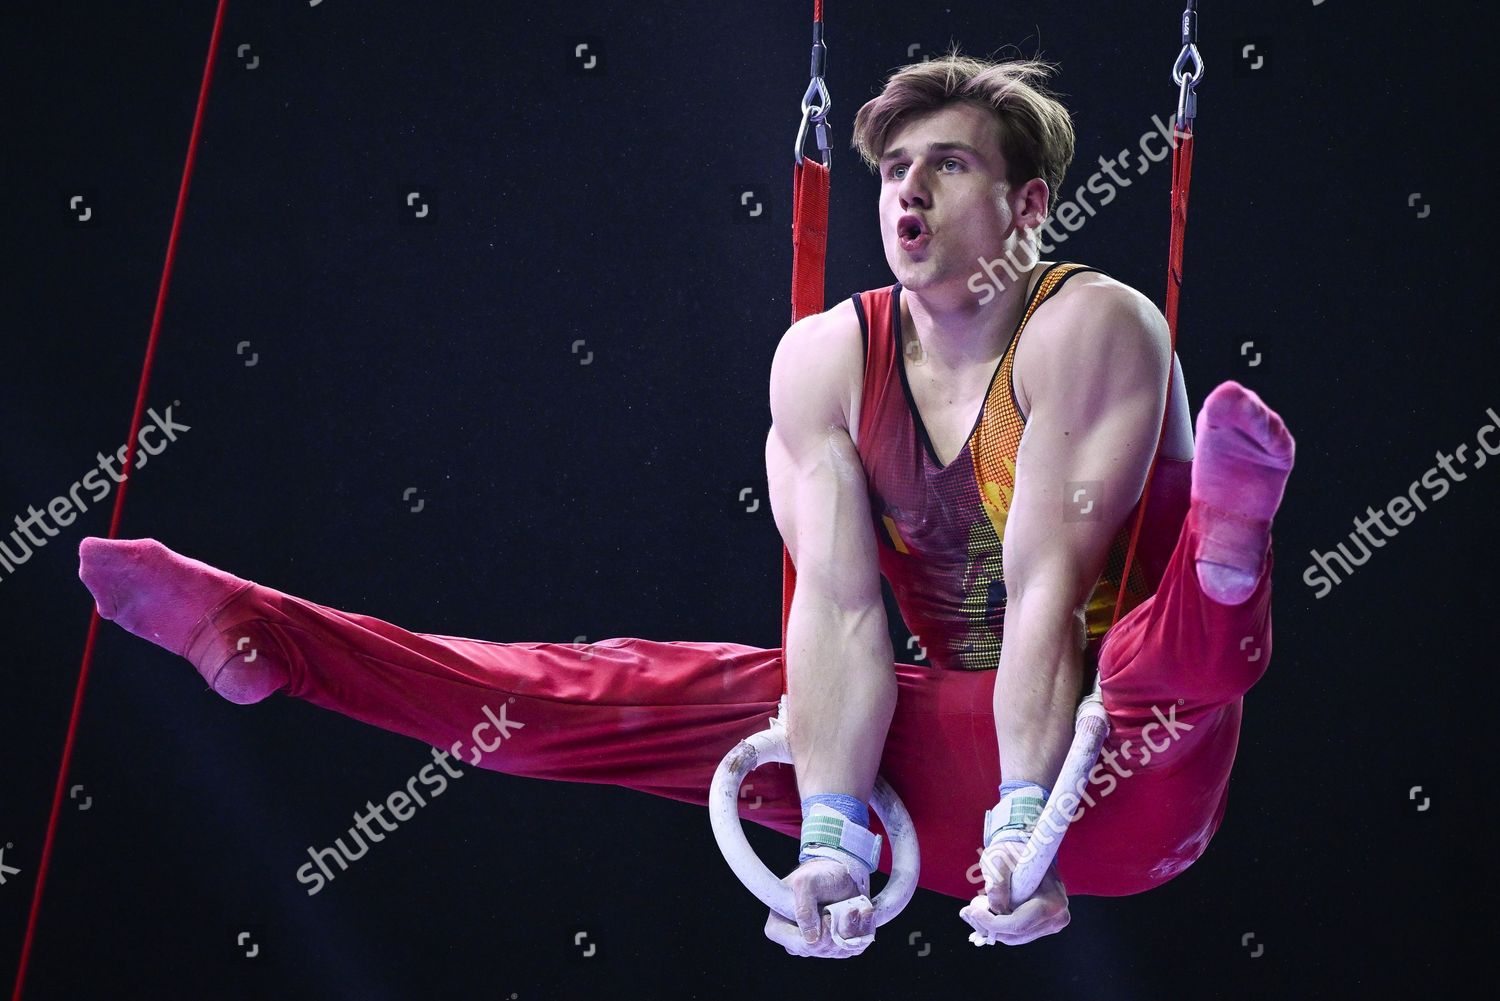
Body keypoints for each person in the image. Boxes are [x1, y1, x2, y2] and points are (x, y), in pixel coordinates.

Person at [77, 53, 1294, 960]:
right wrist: (828, 829)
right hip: (933, 750)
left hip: (1118, 764)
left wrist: (1029, 825)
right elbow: (839, 615)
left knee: (1153, 660)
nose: (908, 190)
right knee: (613, 685)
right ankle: (269, 637)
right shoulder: (823, 359)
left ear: (1029, 208)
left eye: (952, 163)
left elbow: (1041, 599)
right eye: (895, 167)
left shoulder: (1089, 324)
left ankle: (1228, 557)